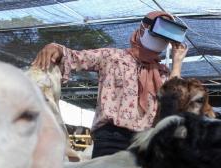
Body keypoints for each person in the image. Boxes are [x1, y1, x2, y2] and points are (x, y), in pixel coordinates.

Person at [33, 11, 188, 158]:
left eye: (166, 39)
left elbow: (176, 100)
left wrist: (177, 63)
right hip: (111, 138)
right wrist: (55, 48)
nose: (161, 41)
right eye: (157, 34)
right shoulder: (112, 57)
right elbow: (75, 57)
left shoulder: (162, 73)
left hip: (147, 141)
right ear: (143, 29)